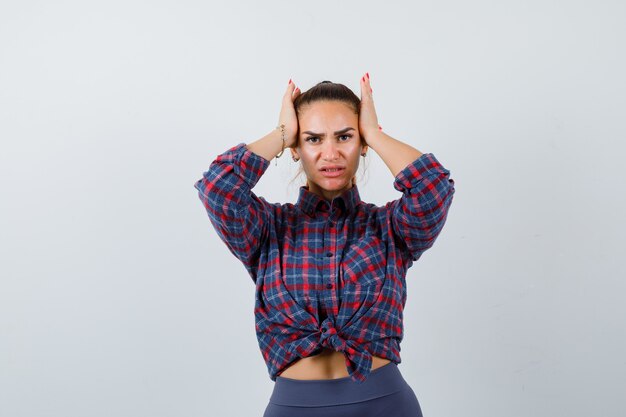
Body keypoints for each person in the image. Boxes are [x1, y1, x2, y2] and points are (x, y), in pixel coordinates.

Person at [194, 73, 456, 417]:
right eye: (313, 139)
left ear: (360, 143)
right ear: (296, 149)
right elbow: (217, 188)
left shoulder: (390, 227)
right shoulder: (266, 229)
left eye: (345, 136)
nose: (330, 153)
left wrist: (375, 134)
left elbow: (433, 187)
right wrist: (281, 134)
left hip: (386, 405)